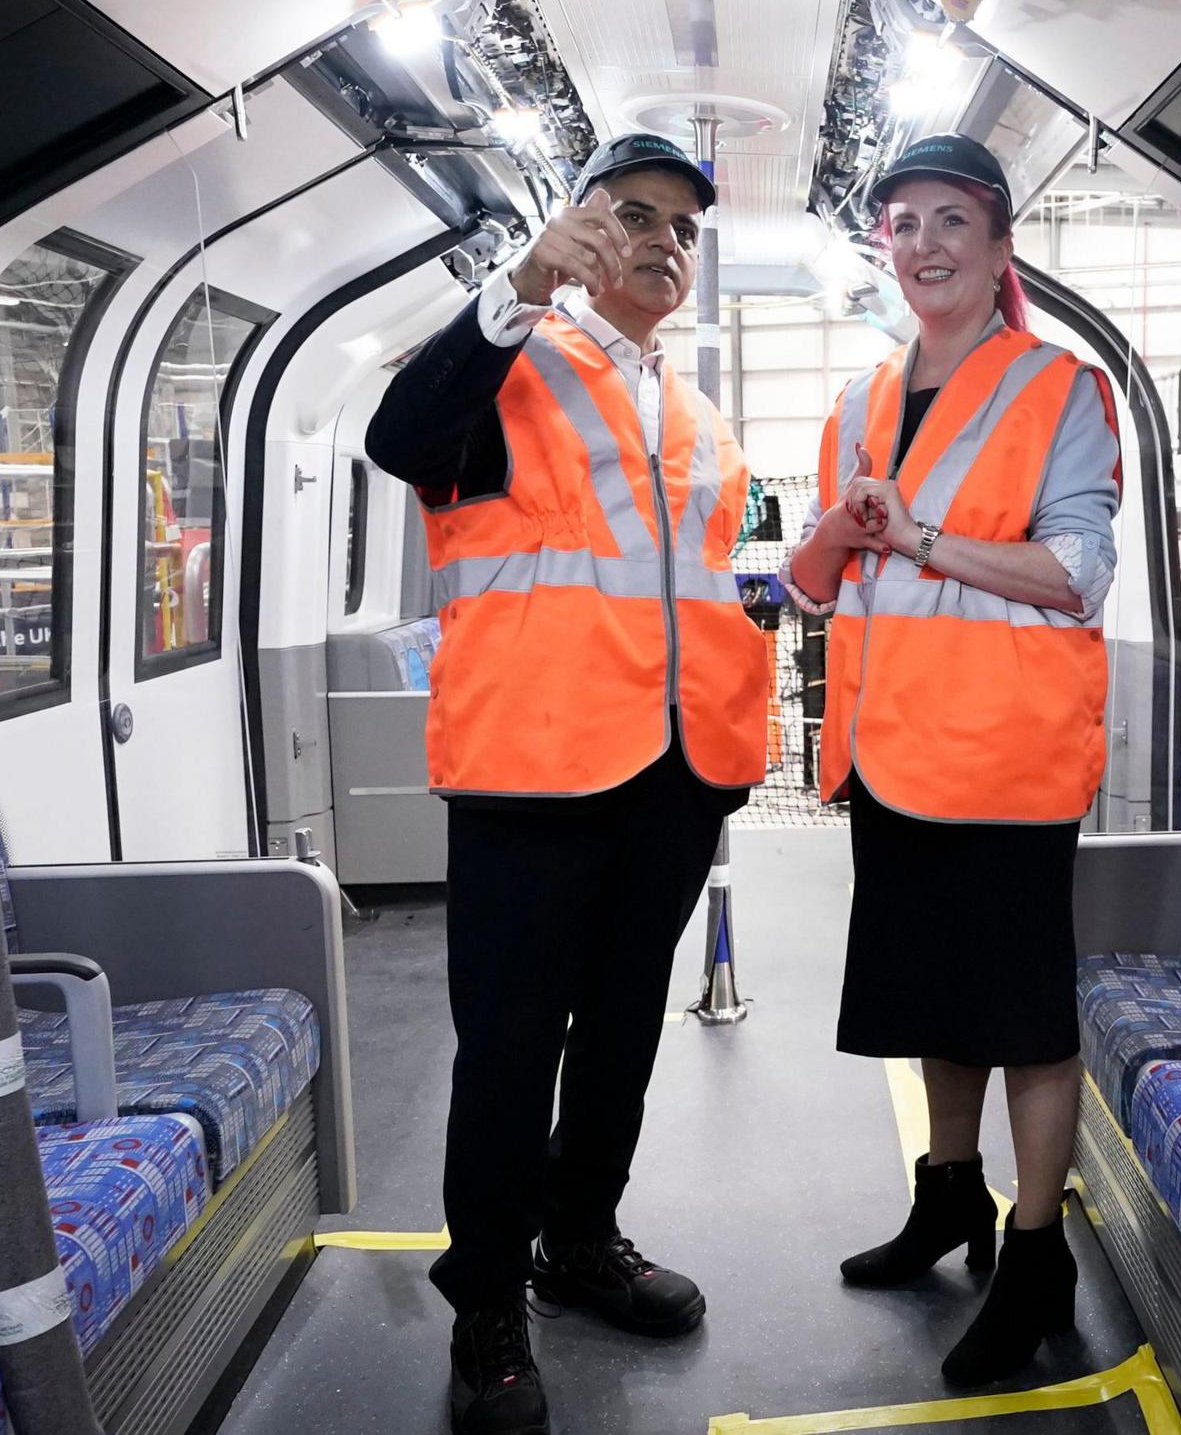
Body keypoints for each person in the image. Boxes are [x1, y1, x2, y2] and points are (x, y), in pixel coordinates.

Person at [364, 132, 770, 1435]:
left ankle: (578, 1239)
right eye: (636, 216)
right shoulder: (513, 362)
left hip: (670, 771)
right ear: (580, 231)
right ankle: (486, 1300)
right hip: (532, 769)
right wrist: (519, 286)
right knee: (509, 1048)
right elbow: (398, 433)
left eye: (684, 229)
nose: (663, 241)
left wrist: (726, 753)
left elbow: (700, 594)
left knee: (622, 1030)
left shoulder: (698, 417)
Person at [782, 133, 1120, 1387]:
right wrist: (834, 533)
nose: (919, 246)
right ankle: (947, 1197)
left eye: (947, 224)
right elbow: (815, 590)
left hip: (1008, 760)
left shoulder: (1057, 390)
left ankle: (1037, 1260)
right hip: (890, 756)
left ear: (996, 249)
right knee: (935, 1002)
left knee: (1023, 1020)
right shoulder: (857, 403)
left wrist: (919, 536)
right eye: (901, 223)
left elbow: (1077, 573)